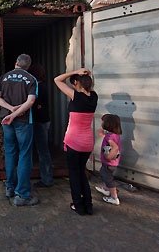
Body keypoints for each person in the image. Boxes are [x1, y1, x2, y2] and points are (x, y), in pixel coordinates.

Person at [0, 54, 39, 206]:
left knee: (10, 153)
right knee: (25, 155)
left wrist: (10, 110)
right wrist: (15, 113)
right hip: (24, 122)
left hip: (6, 121)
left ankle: (10, 187)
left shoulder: (4, 77)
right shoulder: (32, 79)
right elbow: (30, 101)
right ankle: (23, 194)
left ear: (16, 63)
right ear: (28, 66)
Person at [54, 68, 98, 215]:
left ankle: (78, 206)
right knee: (81, 172)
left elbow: (57, 79)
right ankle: (89, 205)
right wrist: (86, 76)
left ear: (77, 83)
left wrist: (76, 71)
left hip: (74, 141)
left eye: (74, 83)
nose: (72, 86)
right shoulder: (94, 97)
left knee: (74, 174)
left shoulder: (76, 96)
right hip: (87, 143)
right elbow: (88, 87)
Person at [28, 63, 53, 188]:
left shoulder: (37, 87)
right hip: (44, 120)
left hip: (39, 122)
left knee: (42, 151)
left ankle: (47, 179)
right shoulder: (43, 86)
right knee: (42, 149)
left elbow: (36, 105)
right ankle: (46, 178)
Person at [95, 114, 122, 206]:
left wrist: (108, 157)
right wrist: (103, 135)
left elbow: (115, 148)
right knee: (104, 174)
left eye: (103, 121)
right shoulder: (114, 135)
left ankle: (114, 198)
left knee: (108, 179)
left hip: (109, 163)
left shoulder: (109, 137)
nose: (102, 123)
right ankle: (106, 190)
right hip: (113, 163)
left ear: (108, 124)